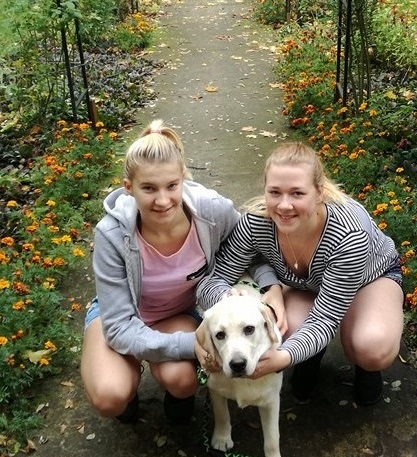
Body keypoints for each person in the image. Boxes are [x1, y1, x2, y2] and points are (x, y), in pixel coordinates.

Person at [80, 119, 278, 424]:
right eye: (148, 188)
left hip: (175, 314)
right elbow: (119, 327)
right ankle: (128, 394)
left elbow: (251, 246)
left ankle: (177, 396)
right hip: (122, 315)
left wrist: (270, 286)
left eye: (172, 186)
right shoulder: (111, 234)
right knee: (110, 396)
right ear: (128, 188)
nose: (162, 200)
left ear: (183, 178)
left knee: (183, 380)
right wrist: (192, 345)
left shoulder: (212, 211)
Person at [196, 141, 404, 406]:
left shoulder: (349, 235)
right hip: (307, 286)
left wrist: (284, 357)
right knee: (283, 326)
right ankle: (311, 355)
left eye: (297, 193)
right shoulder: (256, 223)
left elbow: (326, 318)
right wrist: (230, 300)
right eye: (275, 192)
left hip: (370, 279)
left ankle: (366, 370)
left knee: (370, 346)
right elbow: (213, 280)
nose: (284, 205)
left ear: (319, 193)